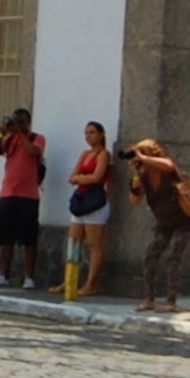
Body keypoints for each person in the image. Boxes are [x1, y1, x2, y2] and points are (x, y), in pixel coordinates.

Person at [127, 140, 190, 310]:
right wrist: (135, 176)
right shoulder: (143, 176)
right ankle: (149, 299)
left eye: (144, 152)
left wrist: (143, 158)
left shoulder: (168, 169)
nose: (140, 157)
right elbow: (133, 201)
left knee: (173, 256)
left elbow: (168, 164)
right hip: (164, 223)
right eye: (138, 153)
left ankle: (171, 301)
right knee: (149, 256)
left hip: (185, 220)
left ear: (154, 154)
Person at [0, 108, 46, 288]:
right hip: (8, 192)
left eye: (21, 121)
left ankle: (29, 277)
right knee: (5, 237)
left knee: (29, 238)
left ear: (28, 122)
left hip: (28, 194)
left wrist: (20, 133)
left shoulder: (37, 138)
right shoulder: (8, 139)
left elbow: (33, 152)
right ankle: (3, 274)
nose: (17, 124)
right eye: (15, 121)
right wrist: (1, 133)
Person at [68, 121, 114, 295]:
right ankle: (69, 280)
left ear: (101, 134)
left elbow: (97, 177)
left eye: (92, 132)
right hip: (81, 199)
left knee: (94, 245)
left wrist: (80, 178)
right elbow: (72, 176)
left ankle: (90, 284)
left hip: (95, 201)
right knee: (74, 241)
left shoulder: (104, 154)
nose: (88, 136)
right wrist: (81, 178)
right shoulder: (85, 154)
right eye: (86, 133)